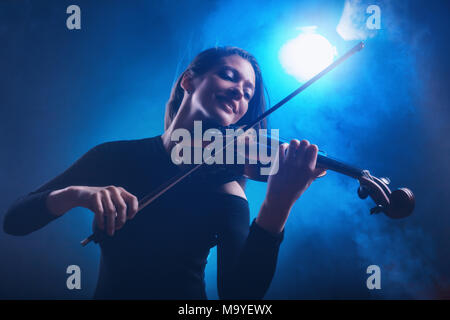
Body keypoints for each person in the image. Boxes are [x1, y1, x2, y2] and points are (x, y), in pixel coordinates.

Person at [3, 47, 326, 299]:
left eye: (248, 92)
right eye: (229, 76)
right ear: (189, 80)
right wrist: (76, 194)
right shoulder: (115, 156)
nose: (239, 93)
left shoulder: (226, 188)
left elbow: (239, 296)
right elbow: (15, 221)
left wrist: (277, 206)